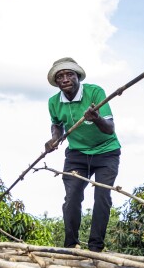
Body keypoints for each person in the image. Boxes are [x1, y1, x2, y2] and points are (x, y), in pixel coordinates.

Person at [44, 57, 121, 252]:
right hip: (77, 154)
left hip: (106, 152)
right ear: (56, 81)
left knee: (102, 197)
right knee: (72, 196)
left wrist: (95, 119)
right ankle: (71, 245)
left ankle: (96, 248)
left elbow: (109, 128)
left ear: (78, 76)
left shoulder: (95, 92)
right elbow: (57, 124)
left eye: (69, 74)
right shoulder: (54, 102)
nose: (65, 79)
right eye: (60, 76)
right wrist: (55, 138)